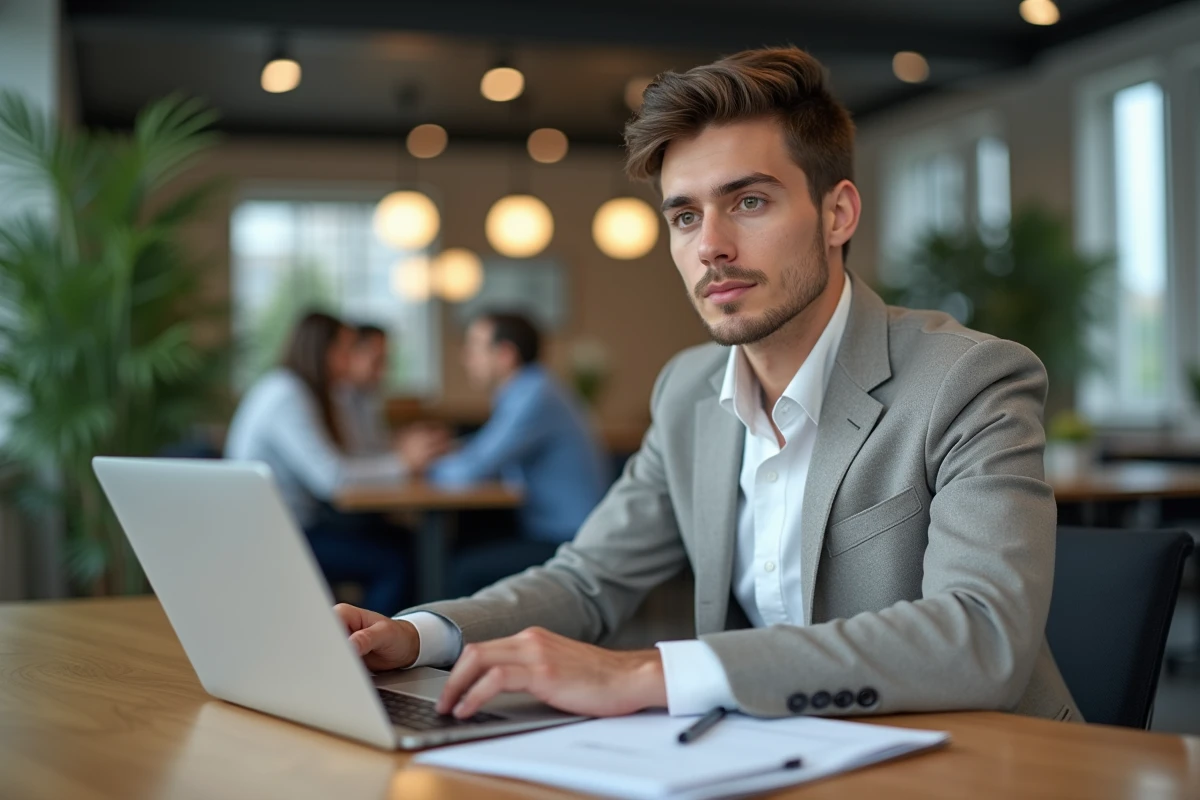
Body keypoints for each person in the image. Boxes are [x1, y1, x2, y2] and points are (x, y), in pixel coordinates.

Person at [334, 47, 1081, 725]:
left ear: (837, 213)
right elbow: (591, 578)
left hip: (983, 763)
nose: (710, 246)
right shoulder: (689, 390)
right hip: (785, 756)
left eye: (748, 201)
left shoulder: (970, 379)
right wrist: (416, 634)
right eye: (685, 216)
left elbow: (982, 635)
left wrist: (651, 673)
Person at [225, 311, 448, 613]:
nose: (351, 359)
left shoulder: (298, 390)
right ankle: (370, 652)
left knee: (405, 542)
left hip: (294, 525)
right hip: (277, 537)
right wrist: (403, 462)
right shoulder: (286, 395)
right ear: (322, 351)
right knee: (395, 562)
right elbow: (333, 478)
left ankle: (400, 641)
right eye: (345, 350)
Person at [428, 312, 610, 595]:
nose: (466, 357)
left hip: (568, 539)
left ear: (505, 355)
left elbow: (472, 469)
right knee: (465, 540)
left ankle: (432, 636)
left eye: (474, 347)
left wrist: (419, 464)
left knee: (461, 569)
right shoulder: (531, 388)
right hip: (554, 528)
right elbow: (484, 451)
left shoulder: (535, 395)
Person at [337, 324, 392, 456]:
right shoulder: (334, 399)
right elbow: (348, 462)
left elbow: (377, 448)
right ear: (352, 354)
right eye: (377, 362)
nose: (382, 372)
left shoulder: (367, 397)